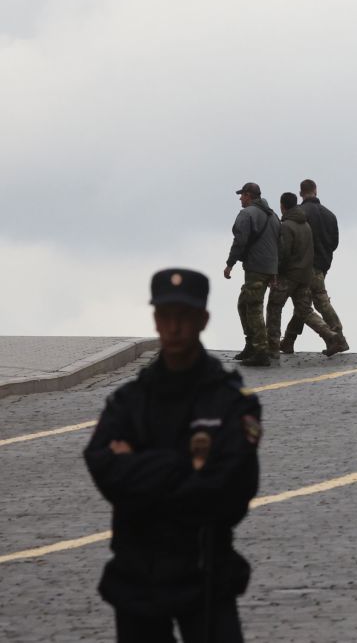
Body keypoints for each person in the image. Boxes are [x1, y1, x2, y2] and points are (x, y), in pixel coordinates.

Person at [84, 268, 261, 642]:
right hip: (137, 576)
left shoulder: (229, 402)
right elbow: (101, 464)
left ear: (203, 320)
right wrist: (186, 467)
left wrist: (138, 465)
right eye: (166, 316)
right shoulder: (131, 399)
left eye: (184, 316)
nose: (175, 327)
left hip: (205, 574)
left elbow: (229, 492)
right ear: (155, 319)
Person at [266, 192, 345, 358]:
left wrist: (274, 273)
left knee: (274, 306)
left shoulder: (286, 226)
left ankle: (272, 345)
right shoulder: (305, 225)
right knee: (305, 310)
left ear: (282, 206)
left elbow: (283, 253)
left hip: (289, 275)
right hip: (305, 274)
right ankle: (332, 336)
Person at [223, 183, 278, 367]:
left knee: (253, 307)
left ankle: (261, 351)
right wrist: (274, 271)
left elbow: (240, 240)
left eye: (242, 195)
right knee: (244, 303)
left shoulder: (247, 214)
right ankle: (251, 345)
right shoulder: (273, 216)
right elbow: (280, 243)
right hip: (269, 267)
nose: (240, 199)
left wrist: (230, 264)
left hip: (255, 267)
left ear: (248, 196)